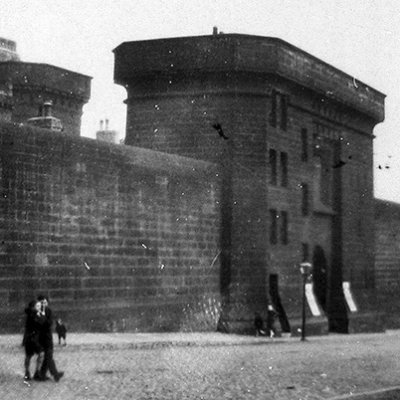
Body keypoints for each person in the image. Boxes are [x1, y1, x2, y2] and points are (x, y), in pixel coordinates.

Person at [37, 295, 64, 382]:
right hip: (41, 337)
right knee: (48, 355)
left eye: (45, 302)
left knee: (48, 355)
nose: (44, 304)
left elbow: (49, 323)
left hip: (48, 336)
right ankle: (55, 374)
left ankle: (42, 374)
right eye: (42, 303)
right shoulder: (37, 311)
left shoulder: (48, 310)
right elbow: (40, 324)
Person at [22, 300, 45, 381]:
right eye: (37, 306)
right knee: (29, 355)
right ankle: (27, 372)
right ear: (33, 307)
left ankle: (36, 372)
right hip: (30, 338)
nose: (39, 308)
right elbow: (28, 311)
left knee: (41, 354)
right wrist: (37, 313)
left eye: (40, 306)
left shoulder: (38, 314)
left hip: (36, 339)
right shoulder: (31, 313)